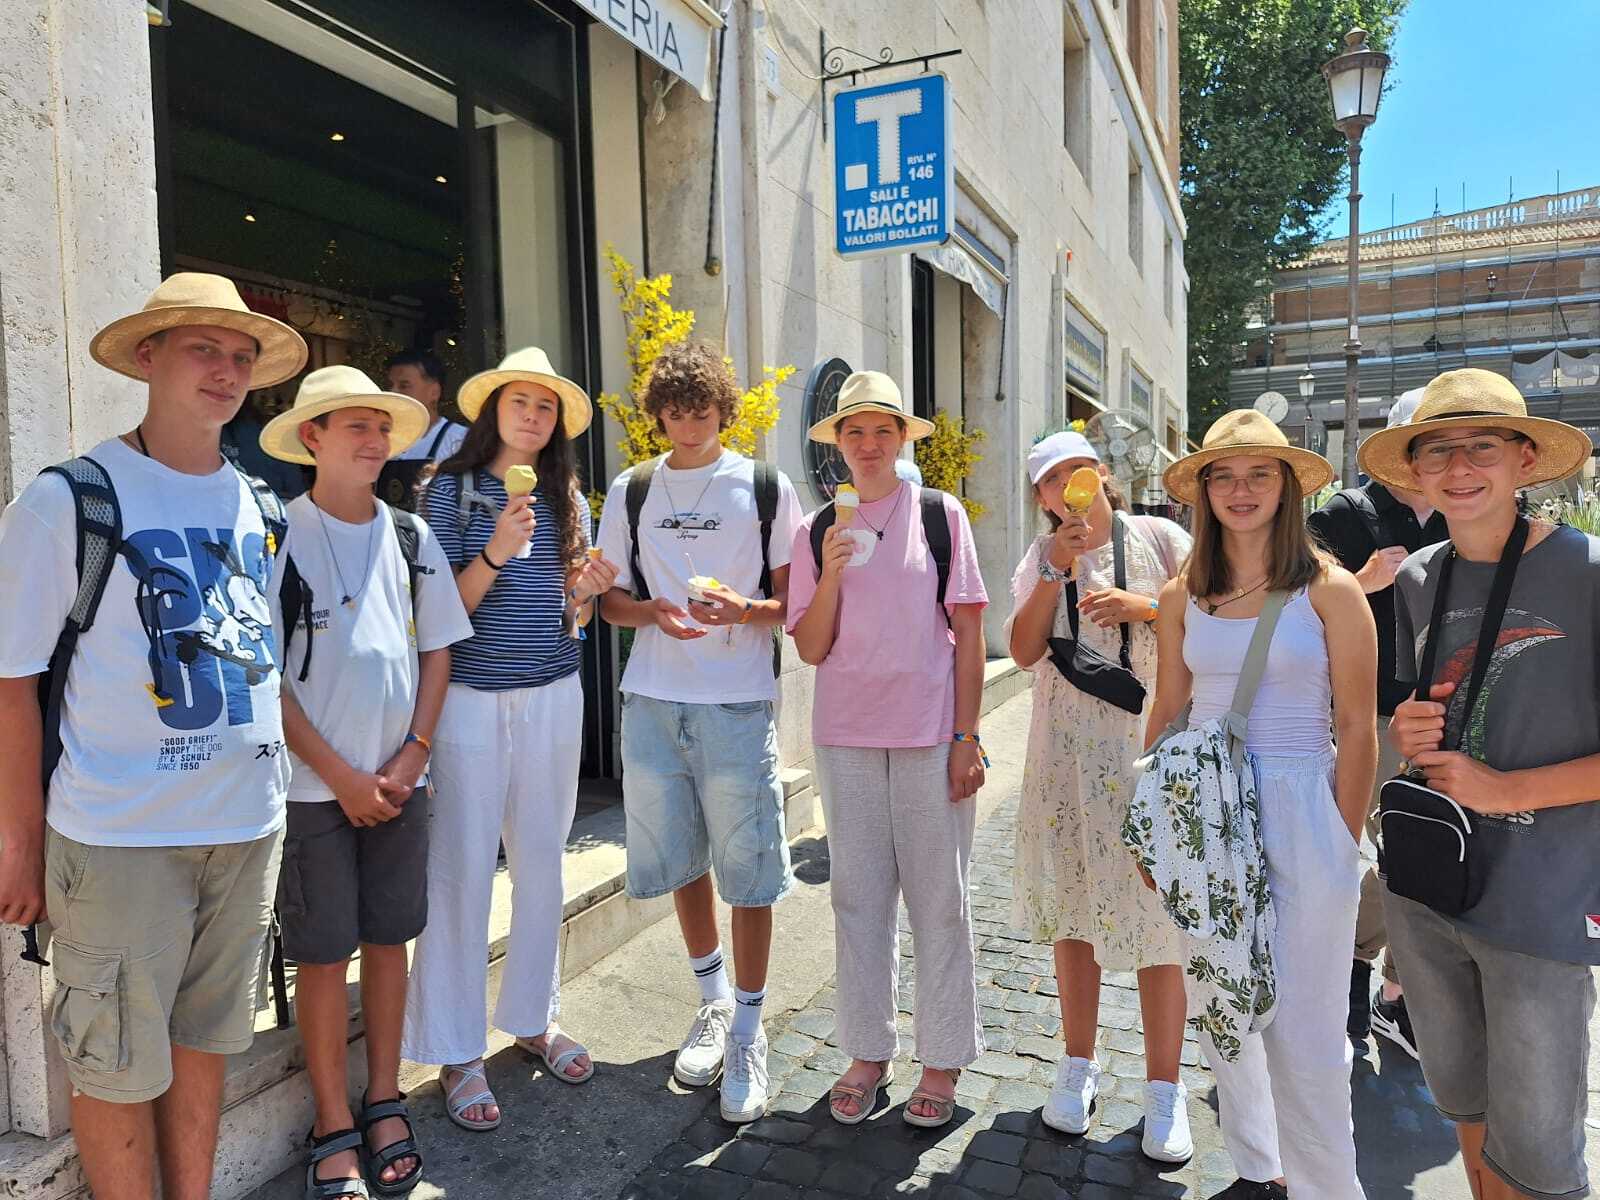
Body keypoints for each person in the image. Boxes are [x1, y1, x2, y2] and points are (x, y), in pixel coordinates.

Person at [0, 273, 307, 1200]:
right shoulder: (71, 499)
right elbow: (11, 682)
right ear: (148, 357)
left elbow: (261, 656)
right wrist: (19, 842)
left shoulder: (262, 505)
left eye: (241, 355)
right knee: (113, 1066)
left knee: (208, 1044)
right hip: (119, 836)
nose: (225, 370)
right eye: (202, 348)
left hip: (247, 828)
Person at [1361, 369, 1599, 1200]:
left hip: (1543, 906)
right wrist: (1407, 729)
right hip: (1430, 894)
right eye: (1437, 451)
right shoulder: (1419, 577)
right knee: (1463, 1106)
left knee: (1537, 1157)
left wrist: (1507, 791)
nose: (1459, 467)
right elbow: (1426, 709)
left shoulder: (1588, 573)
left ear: (1526, 458)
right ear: (1414, 471)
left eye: (1482, 446)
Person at [1145, 410, 1375, 1200]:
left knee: (1308, 1033)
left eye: (1259, 475)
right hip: (1206, 819)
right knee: (1224, 1007)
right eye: (1224, 476)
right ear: (1204, 490)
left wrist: (1341, 840)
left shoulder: (1331, 591)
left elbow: (1357, 726)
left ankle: (1328, 1188)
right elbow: (1168, 712)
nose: (1240, 491)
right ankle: (1258, 1167)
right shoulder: (1181, 595)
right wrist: (1154, 830)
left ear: (1286, 487)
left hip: (1304, 806)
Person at [260, 366, 473, 1198]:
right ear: (311, 438)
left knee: (390, 942)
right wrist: (340, 775)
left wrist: (413, 754)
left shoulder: (411, 536)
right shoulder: (276, 535)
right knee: (321, 957)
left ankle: (385, 1098)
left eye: (382, 427)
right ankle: (330, 1121)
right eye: (356, 425)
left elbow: (437, 651)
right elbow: (265, 676)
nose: (375, 440)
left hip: (399, 784)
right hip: (312, 791)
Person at [401, 346, 613, 1129]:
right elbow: (436, 612)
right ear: (493, 410)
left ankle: (532, 1017)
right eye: (520, 401)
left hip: (553, 694)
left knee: (542, 865)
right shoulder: (448, 491)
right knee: (460, 871)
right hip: (469, 701)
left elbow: (569, 612)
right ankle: (456, 1050)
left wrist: (584, 595)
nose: (533, 415)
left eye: (546, 405)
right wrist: (495, 548)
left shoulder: (567, 496)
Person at [594, 341, 802, 1124]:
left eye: (702, 410)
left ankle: (748, 1028)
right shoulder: (633, 488)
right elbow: (611, 602)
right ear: (658, 415)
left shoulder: (764, 487)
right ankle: (713, 1002)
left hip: (737, 703)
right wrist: (651, 612)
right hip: (652, 699)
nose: (689, 424)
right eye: (676, 412)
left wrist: (743, 610)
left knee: (749, 870)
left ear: (724, 409)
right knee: (681, 858)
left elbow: (798, 603)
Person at [787, 371, 989, 1130]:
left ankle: (942, 1059)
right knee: (858, 901)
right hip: (845, 737)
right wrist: (832, 573)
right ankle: (868, 1053)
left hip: (929, 733)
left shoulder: (939, 515)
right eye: (854, 431)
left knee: (940, 902)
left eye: (882, 430)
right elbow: (810, 647)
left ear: (903, 438)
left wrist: (967, 736)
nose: (868, 444)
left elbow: (969, 633)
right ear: (837, 444)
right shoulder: (816, 529)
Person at [1005, 430, 1195, 1161]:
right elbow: (1023, 651)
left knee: (1158, 922)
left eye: (1076, 471)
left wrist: (1144, 607)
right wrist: (1053, 570)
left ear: (1102, 474)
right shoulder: (1039, 555)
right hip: (1066, 760)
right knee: (1074, 913)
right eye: (1051, 480)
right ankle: (1077, 1065)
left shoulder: (1161, 538)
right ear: (1041, 498)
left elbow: (1210, 615)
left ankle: (1164, 1087)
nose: (1067, 487)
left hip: (1148, 752)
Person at [1307, 387, 1448, 1053]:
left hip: (1453, 709)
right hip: (1372, 711)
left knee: (1432, 854)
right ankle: (1361, 965)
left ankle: (1389, 986)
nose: (1433, 461)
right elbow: (1291, 606)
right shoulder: (1343, 514)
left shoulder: (1463, 513)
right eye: (1422, 445)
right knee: (1402, 854)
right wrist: (1360, 582)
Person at [379, 350, 468, 511]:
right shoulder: (381, 441)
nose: (393, 393)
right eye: (389, 386)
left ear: (434, 392)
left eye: (404, 386)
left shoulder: (460, 440)